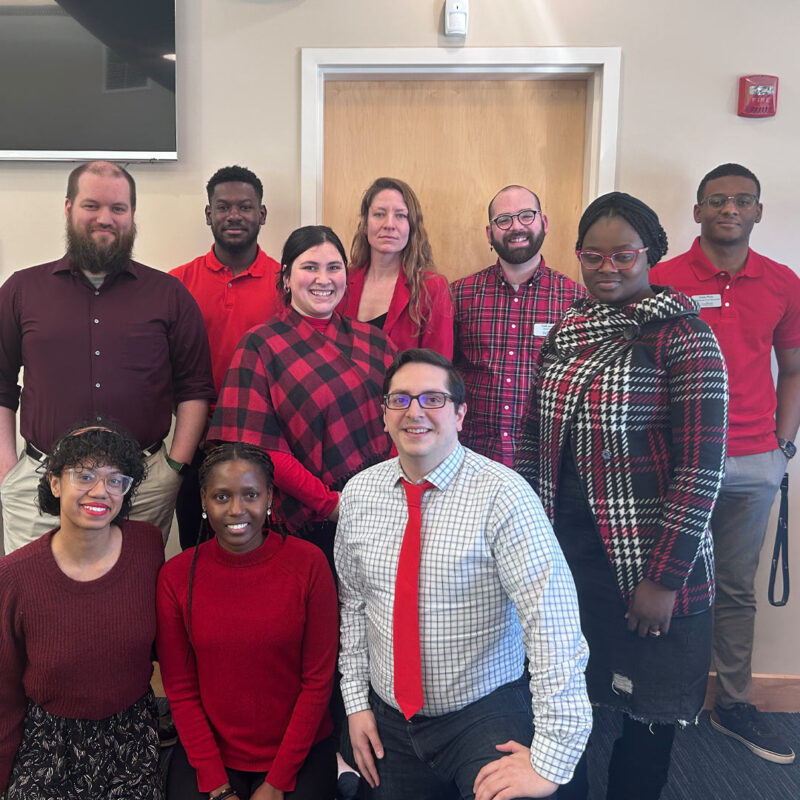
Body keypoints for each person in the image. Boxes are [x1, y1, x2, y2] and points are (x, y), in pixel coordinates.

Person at [517, 192, 728, 799]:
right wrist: (531, 539)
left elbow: (701, 471)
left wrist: (662, 580)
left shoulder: (684, 335)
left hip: (650, 562)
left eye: (623, 256)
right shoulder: (567, 330)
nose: (607, 268)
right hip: (569, 555)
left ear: (649, 256)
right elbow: (534, 437)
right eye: (593, 256)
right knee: (566, 705)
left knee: (648, 718)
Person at [335, 348, 591, 800]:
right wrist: (356, 704)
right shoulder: (358, 495)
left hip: (481, 711)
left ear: (459, 414)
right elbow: (353, 607)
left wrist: (552, 757)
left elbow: (552, 623)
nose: (415, 412)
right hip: (390, 718)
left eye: (433, 399)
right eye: (401, 399)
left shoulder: (504, 495)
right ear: (384, 414)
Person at [650, 164, 800, 765]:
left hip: (753, 462)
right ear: (697, 212)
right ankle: (661, 697)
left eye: (742, 200)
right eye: (716, 200)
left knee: (736, 589)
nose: (729, 209)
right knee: (665, 581)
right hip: (676, 464)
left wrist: (781, 448)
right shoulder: (661, 279)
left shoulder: (783, 282)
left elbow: (792, 370)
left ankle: (733, 702)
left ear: (759, 211)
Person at [0, 160, 215, 552]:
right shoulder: (21, 290)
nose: (105, 218)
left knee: (130, 602)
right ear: (68, 208)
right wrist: (6, 469)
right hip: (40, 481)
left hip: (142, 485)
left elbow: (195, 389)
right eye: (91, 205)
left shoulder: (169, 295)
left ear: (132, 215)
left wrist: (173, 469)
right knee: (35, 601)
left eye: (118, 208)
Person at [156, 442, 338, 800]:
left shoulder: (309, 564)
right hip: (212, 753)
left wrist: (277, 781)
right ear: (204, 502)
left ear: (269, 496)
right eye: (222, 497)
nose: (237, 510)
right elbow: (179, 687)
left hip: (298, 749)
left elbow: (318, 680)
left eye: (251, 495)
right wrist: (216, 784)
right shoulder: (176, 576)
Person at [208, 225, 395, 566]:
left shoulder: (376, 343)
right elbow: (260, 448)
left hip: (384, 510)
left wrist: (390, 491)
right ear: (286, 278)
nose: (323, 279)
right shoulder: (260, 345)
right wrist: (331, 504)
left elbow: (406, 419)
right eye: (310, 267)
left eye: (334, 267)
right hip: (309, 522)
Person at [0, 424, 164, 799]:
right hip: (48, 738)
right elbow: (4, 692)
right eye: (85, 475)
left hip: (131, 732)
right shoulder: (14, 577)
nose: (100, 491)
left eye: (115, 479)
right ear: (55, 483)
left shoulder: (148, 547)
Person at [170, 165, 281, 548]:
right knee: (198, 550)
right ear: (208, 214)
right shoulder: (177, 285)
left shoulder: (286, 284)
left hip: (268, 445)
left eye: (245, 207)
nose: (234, 215)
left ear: (262, 214)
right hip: (197, 443)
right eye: (223, 207)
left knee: (267, 552)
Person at [452, 185, 586, 467]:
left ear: (544, 223)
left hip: (546, 463)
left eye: (526, 215)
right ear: (490, 233)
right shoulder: (459, 296)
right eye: (504, 220)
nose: (516, 227)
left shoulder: (576, 300)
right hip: (472, 460)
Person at [338, 177, 453, 358]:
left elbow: (438, 367)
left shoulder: (432, 287)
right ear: (365, 224)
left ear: (412, 226)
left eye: (400, 215)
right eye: (379, 214)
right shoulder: (341, 280)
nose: (389, 224)